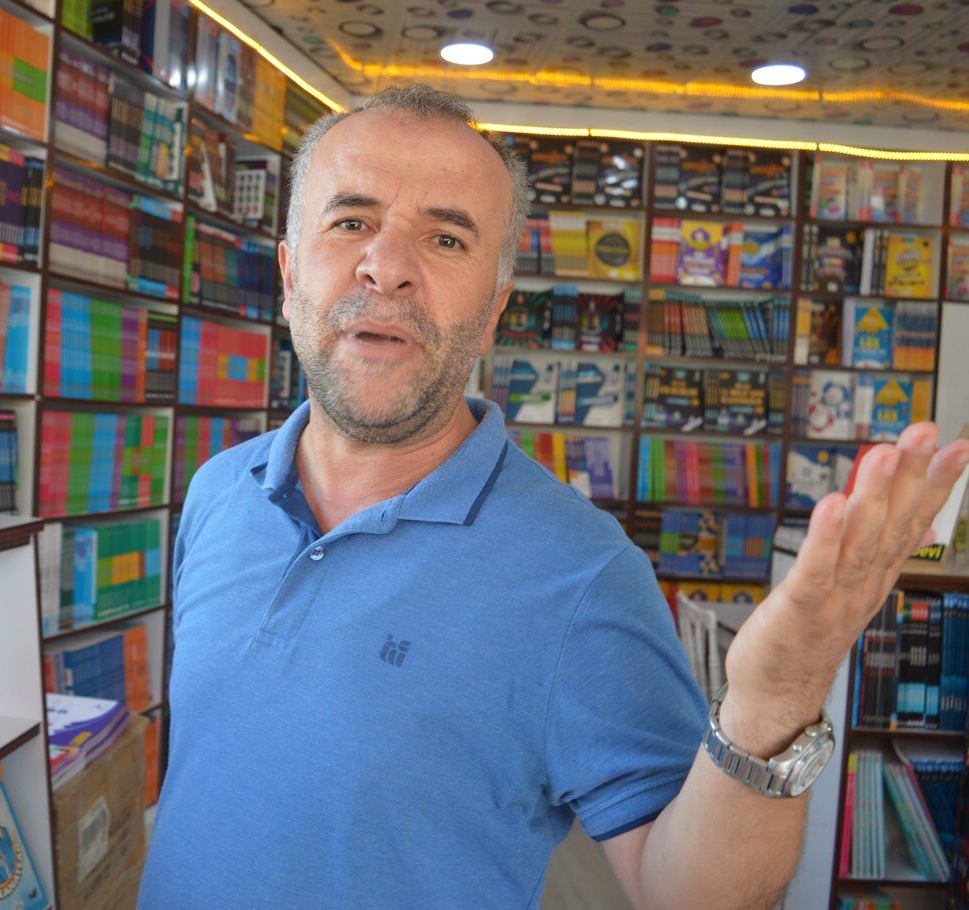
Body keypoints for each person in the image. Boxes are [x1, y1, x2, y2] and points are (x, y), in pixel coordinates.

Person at [137, 85, 969, 908]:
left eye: (446, 238)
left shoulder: (584, 573)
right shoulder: (217, 492)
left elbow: (694, 898)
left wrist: (774, 703)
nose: (386, 266)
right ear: (289, 275)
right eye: (351, 221)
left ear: (492, 313)